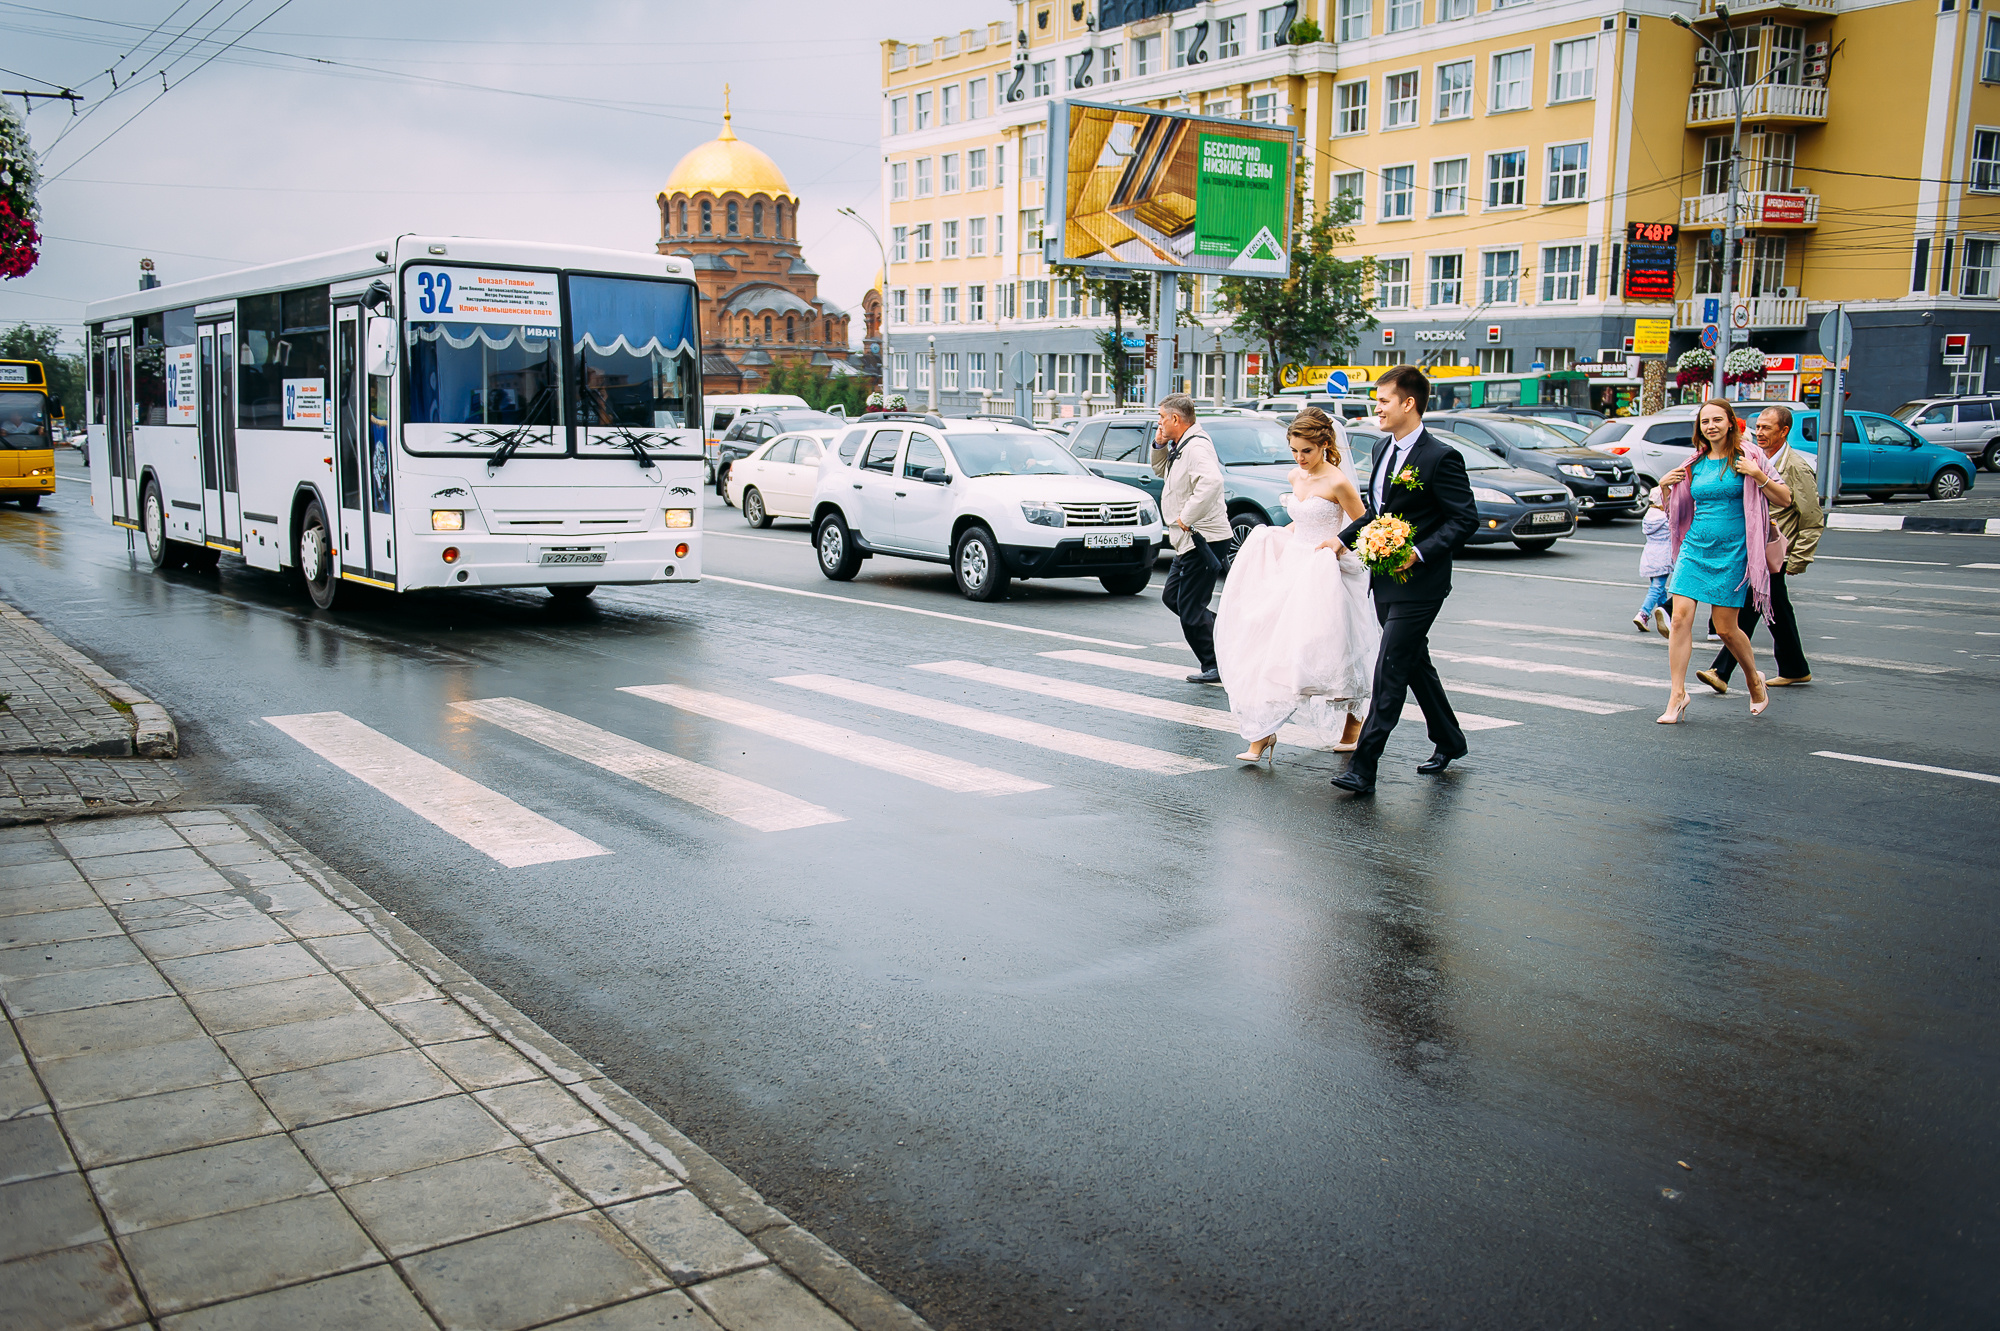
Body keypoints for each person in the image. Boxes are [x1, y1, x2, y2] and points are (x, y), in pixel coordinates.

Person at [1328, 365, 1479, 797]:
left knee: (1389, 669)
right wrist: (1339, 542)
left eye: (1383, 401)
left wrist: (1419, 551)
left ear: (1408, 403)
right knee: (1413, 664)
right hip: (1384, 579)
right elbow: (1376, 513)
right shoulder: (1381, 449)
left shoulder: (1440, 457)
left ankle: (1364, 766)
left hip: (1422, 582)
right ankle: (1450, 739)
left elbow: (1463, 519)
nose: (1377, 408)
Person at [1214, 406, 1379, 762]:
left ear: (1324, 444)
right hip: (1293, 569)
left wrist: (1336, 547)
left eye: (1306, 450)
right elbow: (1302, 523)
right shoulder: (1295, 477)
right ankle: (1262, 734)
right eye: (1294, 450)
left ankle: (1353, 724)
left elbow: (1363, 523)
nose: (1300, 458)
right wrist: (1272, 537)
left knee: (1336, 652)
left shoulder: (1337, 481)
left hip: (1325, 574)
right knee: (1272, 653)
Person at [1654, 398, 1790, 724]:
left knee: (1728, 629)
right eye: (1705, 422)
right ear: (1699, 428)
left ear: (1731, 422)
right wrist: (1665, 488)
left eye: (1717, 420)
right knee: (1680, 617)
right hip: (1695, 546)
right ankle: (1677, 694)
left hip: (1734, 551)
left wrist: (1758, 475)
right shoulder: (1694, 464)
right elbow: (1677, 509)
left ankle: (1753, 679)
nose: (1711, 426)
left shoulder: (1750, 456)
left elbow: (1784, 499)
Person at [1697, 404, 1822, 692]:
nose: (1760, 433)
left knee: (1754, 605)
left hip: (1772, 552)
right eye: (1758, 427)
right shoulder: (1752, 456)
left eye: (1767, 428)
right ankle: (1795, 668)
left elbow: (1812, 518)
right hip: (1751, 547)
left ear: (1784, 431)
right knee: (1776, 609)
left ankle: (1722, 670)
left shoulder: (1795, 467)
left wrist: (1798, 558)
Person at [1152, 394, 1234, 684]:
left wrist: (1186, 517)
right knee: (1172, 596)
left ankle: (1216, 664)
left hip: (1203, 538)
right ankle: (1226, 635)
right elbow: (1162, 471)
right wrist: (1159, 445)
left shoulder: (1196, 446)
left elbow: (1212, 482)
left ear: (1176, 419)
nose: (1158, 422)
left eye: (1162, 417)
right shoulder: (1180, 445)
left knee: (1190, 608)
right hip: (1189, 540)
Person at [1634, 488, 1674, 635]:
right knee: (1657, 587)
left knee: (1660, 588)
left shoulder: (1649, 516)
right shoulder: (1666, 518)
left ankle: (1665, 615)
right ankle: (1643, 614)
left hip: (1649, 556)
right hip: (1662, 557)